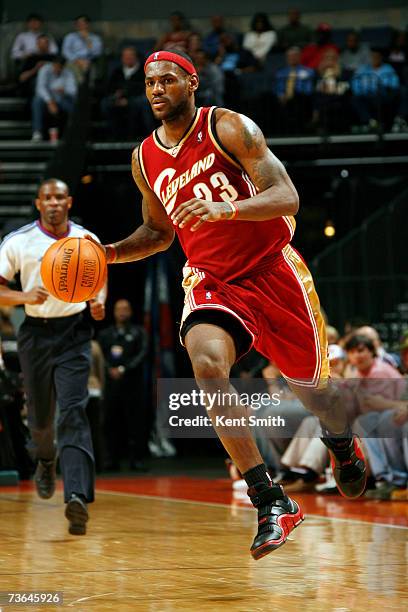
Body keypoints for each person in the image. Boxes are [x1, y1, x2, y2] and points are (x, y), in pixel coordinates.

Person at [90, 49, 367, 560]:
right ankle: (270, 498)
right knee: (208, 364)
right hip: (213, 281)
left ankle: (339, 437)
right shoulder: (144, 157)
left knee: (317, 395)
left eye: (167, 80)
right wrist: (107, 255)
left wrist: (226, 208)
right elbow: (157, 231)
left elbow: (286, 197)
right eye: (149, 82)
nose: (156, 89)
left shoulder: (230, 128)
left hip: (273, 271)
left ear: (192, 84)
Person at [0, 178, 106, 535]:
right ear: (38, 203)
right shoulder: (19, 241)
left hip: (74, 332)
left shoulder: (86, 240)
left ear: (69, 202)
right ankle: (45, 460)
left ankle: (76, 496)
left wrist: (98, 300)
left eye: (59, 197)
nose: (53, 202)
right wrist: (23, 296)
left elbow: (98, 277)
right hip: (35, 333)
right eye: (47, 197)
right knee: (42, 419)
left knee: (74, 411)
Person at [98, 299, 148, 470]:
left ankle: (137, 460)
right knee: (111, 422)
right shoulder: (105, 335)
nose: (122, 312)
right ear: (113, 312)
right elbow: (100, 356)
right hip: (111, 385)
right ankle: (111, 460)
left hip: (133, 384)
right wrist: (109, 369)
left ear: (131, 311)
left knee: (135, 423)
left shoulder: (139, 332)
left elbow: (143, 353)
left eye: (126, 308)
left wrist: (124, 369)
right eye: (119, 309)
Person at [101, 46, 155, 140]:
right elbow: (109, 88)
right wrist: (116, 95)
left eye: (130, 56)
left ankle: (146, 135)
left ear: (136, 57)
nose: (128, 58)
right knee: (105, 103)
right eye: (125, 56)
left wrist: (128, 99)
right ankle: (112, 136)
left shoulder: (144, 71)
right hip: (118, 98)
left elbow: (145, 88)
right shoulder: (117, 71)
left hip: (137, 97)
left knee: (141, 102)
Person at [31, 56, 77, 142]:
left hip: (61, 99)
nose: (57, 69)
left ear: (63, 67)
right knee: (36, 101)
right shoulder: (45, 69)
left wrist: (65, 90)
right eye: (55, 66)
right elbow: (40, 88)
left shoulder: (68, 73)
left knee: (73, 106)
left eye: (59, 67)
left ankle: (74, 133)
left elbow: (73, 90)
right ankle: (37, 132)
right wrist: (50, 101)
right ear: (52, 64)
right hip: (46, 100)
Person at [62, 14, 103, 83]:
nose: (81, 25)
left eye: (84, 23)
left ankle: (87, 88)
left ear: (88, 24)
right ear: (76, 25)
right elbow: (65, 51)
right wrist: (77, 61)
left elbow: (98, 52)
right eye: (79, 23)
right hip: (73, 61)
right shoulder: (70, 36)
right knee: (75, 71)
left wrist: (88, 42)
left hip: (89, 61)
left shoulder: (95, 38)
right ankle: (79, 87)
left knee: (90, 68)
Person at [18, 34, 56, 98]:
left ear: (48, 44)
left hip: (52, 82)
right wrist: (36, 68)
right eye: (40, 43)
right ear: (37, 44)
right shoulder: (31, 58)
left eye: (45, 43)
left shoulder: (54, 58)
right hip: (35, 83)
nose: (42, 45)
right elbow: (22, 78)